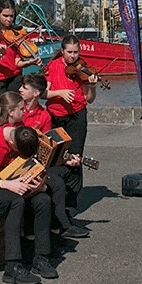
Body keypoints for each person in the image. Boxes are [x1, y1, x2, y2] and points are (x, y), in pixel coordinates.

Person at [0, 92, 54, 284]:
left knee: (43, 200)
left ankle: (41, 256)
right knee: (15, 201)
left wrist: (38, 184)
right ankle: (12, 265)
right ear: (12, 143)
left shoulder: (18, 134)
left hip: (5, 183)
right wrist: (9, 185)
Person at [18, 73, 87, 239]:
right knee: (55, 182)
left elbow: (45, 145)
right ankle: (62, 225)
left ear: (36, 93)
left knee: (73, 170)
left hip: (36, 161)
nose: (20, 89)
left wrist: (64, 158)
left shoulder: (44, 115)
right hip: (19, 162)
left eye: (24, 88)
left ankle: (67, 212)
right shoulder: (16, 109)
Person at [44, 35, 99, 213]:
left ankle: (71, 203)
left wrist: (91, 86)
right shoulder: (52, 66)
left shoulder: (84, 69)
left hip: (77, 115)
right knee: (56, 157)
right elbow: (44, 93)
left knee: (75, 157)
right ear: (62, 51)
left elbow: (89, 100)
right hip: (56, 115)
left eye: (76, 52)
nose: (73, 57)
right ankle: (55, 198)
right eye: (69, 52)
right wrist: (59, 93)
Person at [0, 0, 40, 105]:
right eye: (5, 16)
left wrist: (28, 63)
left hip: (14, 76)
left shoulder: (16, 33)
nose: (9, 19)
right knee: (0, 110)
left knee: (15, 108)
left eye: (11, 16)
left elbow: (17, 62)